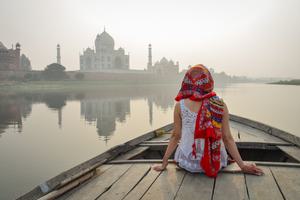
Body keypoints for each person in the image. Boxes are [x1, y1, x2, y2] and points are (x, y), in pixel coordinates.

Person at [153, 64, 263, 177]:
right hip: (216, 163)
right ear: (208, 81)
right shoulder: (220, 105)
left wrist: (164, 162)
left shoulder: (180, 106)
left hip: (189, 163)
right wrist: (242, 166)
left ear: (187, 81)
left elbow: (176, 136)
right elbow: (227, 138)